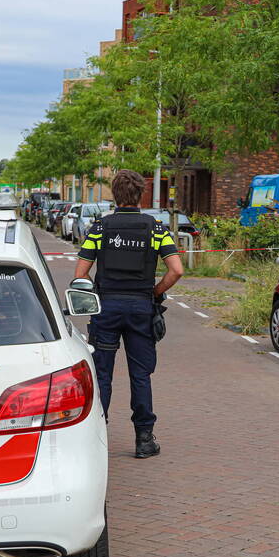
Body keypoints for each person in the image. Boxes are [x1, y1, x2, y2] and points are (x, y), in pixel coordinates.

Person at [73, 170, 184, 458]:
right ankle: (144, 440)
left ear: (114, 194)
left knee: (102, 375)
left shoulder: (99, 228)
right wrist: (155, 293)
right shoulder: (156, 229)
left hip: (106, 309)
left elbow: (81, 274)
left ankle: (97, 439)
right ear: (140, 195)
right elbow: (176, 270)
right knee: (140, 375)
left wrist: (94, 296)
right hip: (140, 310)